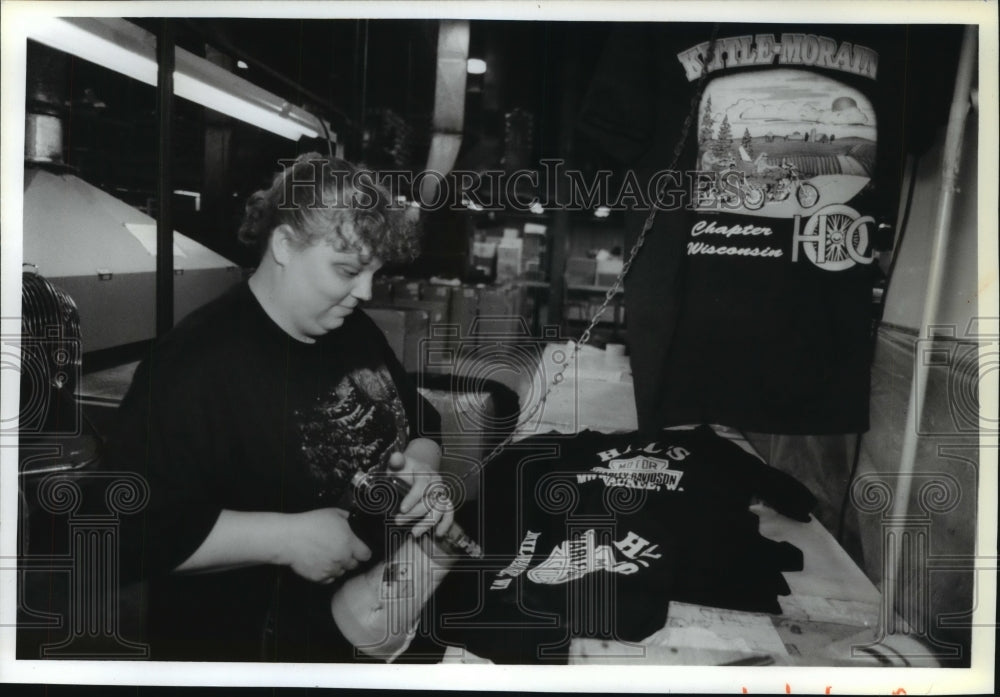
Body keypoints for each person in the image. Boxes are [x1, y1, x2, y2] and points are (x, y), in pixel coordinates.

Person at [110, 153, 450, 662]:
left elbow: (420, 420)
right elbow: (126, 530)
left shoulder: (349, 327)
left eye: (374, 273)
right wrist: (286, 539)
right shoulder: (197, 364)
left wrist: (421, 465)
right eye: (348, 271)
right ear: (286, 245)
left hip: (360, 625)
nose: (365, 292)